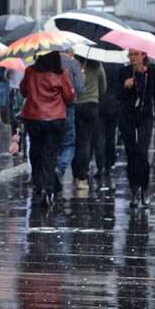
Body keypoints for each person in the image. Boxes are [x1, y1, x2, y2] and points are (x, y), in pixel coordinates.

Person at [20, 52, 74, 207]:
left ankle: (38, 185)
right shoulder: (62, 73)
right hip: (55, 118)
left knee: (36, 151)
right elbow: (69, 97)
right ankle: (48, 189)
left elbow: (24, 91)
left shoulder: (30, 71)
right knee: (50, 154)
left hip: (33, 117)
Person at [115, 50, 155, 208]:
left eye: (135, 54)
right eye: (130, 54)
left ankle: (144, 188)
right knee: (131, 153)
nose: (132, 57)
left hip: (145, 116)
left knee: (141, 151)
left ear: (143, 55)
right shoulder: (124, 72)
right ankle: (134, 191)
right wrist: (125, 85)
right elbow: (115, 95)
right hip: (127, 117)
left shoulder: (152, 73)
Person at [71, 56, 106, 190]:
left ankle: (76, 172)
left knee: (77, 141)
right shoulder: (97, 64)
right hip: (92, 105)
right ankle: (82, 175)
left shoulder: (74, 65)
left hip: (76, 105)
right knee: (86, 141)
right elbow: (103, 87)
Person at [55, 49, 85, 192]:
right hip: (68, 107)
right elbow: (80, 88)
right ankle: (59, 169)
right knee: (69, 143)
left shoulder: (48, 62)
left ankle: (53, 169)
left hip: (50, 108)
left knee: (54, 142)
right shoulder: (74, 64)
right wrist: (81, 77)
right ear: (71, 52)